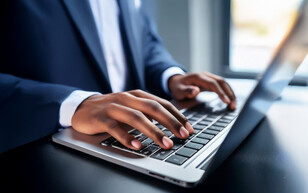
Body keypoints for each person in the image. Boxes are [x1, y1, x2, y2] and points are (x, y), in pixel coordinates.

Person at [0, 0, 236, 153]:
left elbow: (143, 40)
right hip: (41, 157)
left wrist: (170, 76)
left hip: (132, 147)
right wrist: (72, 104)